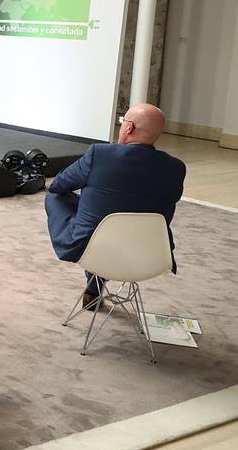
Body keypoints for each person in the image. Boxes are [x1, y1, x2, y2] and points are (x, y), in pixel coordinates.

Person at [45, 103, 186, 310]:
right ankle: (94, 287)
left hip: (91, 249)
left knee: (56, 197)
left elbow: (58, 185)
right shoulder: (176, 168)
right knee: (116, 216)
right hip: (149, 255)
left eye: (122, 122)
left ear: (129, 128)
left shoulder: (100, 154)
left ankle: (93, 280)